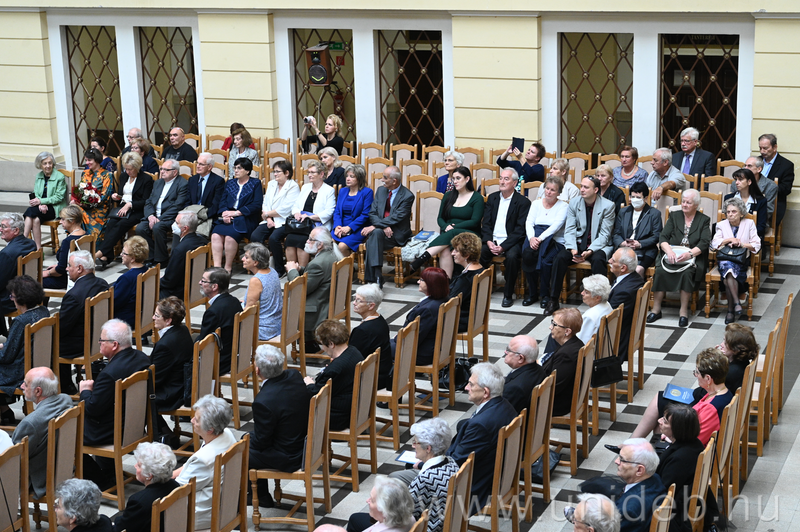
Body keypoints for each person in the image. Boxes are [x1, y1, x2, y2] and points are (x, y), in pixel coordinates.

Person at [81, 319, 150, 486]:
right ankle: (108, 471)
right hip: (135, 426)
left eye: (102, 340)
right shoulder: (142, 358)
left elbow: (92, 408)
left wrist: (85, 390)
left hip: (112, 432)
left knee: (64, 434)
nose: (99, 342)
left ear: (114, 345)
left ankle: (101, 480)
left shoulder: (109, 374)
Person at [448, 363, 517, 510]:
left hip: (474, 486)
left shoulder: (480, 426)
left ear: (485, 392)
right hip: (492, 472)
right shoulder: (506, 405)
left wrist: (424, 464)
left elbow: (456, 463)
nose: (466, 388)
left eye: (471, 384)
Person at [248, 345, 310, 509]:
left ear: (257, 371)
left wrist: (246, 442)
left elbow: (261, 442)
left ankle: (260, 496)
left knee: (241, 452)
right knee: (246, 440)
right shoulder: (294, 375)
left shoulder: (263, 401)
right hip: (305, 445)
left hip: (289, 456)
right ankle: (261, 495)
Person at [631, 348, 732, 445]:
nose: (696, 375)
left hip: (691, 452)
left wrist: (671, 437)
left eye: (697, 372)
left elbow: (694, 441)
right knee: (661, 426)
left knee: (659, 429)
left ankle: (629, 447)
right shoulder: (722, 393)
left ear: (708, 378)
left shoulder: (711, 408)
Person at [547, 176, 615, 316]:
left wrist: (590, 250)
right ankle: (553, 299)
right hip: (577, 243)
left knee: (598, 260)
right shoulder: (574, 202)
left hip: (598, 244)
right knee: (559, 258)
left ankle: (600, 302)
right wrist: (573, 249)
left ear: (595, 190)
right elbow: (570, 229)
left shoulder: (608, 206)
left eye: (586, 187)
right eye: (581, 186)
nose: (581, 189)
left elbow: (605, 235)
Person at [647, 189, 711, 328]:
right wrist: (669, 251)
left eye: (688, 202)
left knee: (687, 273)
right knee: (660, 271)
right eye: (683, 201)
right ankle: (656, 310)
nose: (684, 205)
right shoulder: (674, 216)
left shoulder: (704, 220)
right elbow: (663, 237)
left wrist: (690, 254)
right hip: (672, 254)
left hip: (692, 258)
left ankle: (683, 312)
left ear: (696, 205)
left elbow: (704, 242)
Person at [173, 395, 237, 531]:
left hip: (198, 514)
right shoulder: (227, 434)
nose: (191, 420)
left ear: (210, 429)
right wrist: (171, 474)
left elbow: (177, 491)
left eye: (196, 420)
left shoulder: (204, 460)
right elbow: (189, 468)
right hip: (227, 505)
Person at [411, 166, 484, 277]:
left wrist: (454, 227)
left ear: (467, 179)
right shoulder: (448, 196)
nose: (455, 181)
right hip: (449, 232)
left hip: (469, 233)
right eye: (453, 179)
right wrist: (445, 226)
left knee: (452, 233)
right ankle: (447, 281)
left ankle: (423, 257)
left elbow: (475, 221)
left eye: (458, 178)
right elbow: (440, 218)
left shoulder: (477, 197)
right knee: (445, 249)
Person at [12, 367, 73, 498]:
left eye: (25, 384)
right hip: (63, 467)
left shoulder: (30, 423)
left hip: (38, 479)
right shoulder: (66, 400)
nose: (21, 386)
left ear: (38, 391)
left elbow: (14, 459)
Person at [57, 250, 110, 394]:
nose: (66, 269)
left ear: (79, 268)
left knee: (46, 343)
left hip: (80, 344)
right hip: (98, 338)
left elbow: (61, 328)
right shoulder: (103, 284)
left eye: (69, 265)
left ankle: (65, 386)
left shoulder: (74, 295)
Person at [0, 276, 48, 424]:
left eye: (13, 296)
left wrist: (3, 348)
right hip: (37, 364)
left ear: (21, 300)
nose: (11, 299)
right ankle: (4, 410)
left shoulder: (21, 321)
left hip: (20, 372)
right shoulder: (44, 312)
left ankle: (4, 410)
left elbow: (6, 357)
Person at [479, 167, 530, 307]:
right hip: (492, 240)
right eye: (501, 178)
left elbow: (520, 230)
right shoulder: (492, 198)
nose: (502, 181)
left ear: (514, 183)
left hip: (511, 242)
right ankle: (480, 290)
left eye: (506, 179)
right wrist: (488, 241)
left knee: (512, 257)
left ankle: (508, 294)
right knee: (480, 253)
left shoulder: (523, 202)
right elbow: (486, 223)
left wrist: (503, 246)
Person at [94, 151, 154, 268]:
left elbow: (146, 201)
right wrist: (116, 197)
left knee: (121, 225)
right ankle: (106, 256)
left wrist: (130, 204)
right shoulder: (124, 176)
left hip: (137, 210)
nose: (127, 171)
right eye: (126, 169)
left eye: (130, 169)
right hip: (122, 209)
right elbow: (122, 195)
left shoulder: (146, 179)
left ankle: (101, 253)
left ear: (137, 167)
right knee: (111, 224)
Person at [304, 320, 363, 431]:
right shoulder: (354, 351)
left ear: (331, 344)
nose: (322, 348)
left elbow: (317, 395)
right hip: (352, 409)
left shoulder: (336, 369)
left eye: (322, 344)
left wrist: (309, 384)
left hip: (335, 417)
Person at [653, 404, 704, 532]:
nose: (659, 421)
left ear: (678, 429)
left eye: (665, 421)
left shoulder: (679, 459)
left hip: (671, 509)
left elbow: (663, 490)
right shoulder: (695, 443)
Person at [362, 165, 415, 286]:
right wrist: (382, 226)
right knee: (375, 234)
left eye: (385, 178)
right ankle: (377, 276)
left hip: (397, 234)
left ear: (394, 181)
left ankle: (372, 278)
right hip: (382, 232)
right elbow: (372, 213)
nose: (382, 180)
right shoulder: (381, 191)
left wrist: (376, 226)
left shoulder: (407, 196)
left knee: (373, 238)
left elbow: (396, 217)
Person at [286, 227, 343, 339]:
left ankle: (309, 343)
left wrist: (292, 271)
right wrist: (300, 269)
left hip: (318, 310)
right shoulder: (331, 255)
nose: (307, 241)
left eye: (310, 239)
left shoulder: (317, 264)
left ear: (320, 244)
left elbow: (300, 290)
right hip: (329, 302)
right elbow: (318, 276)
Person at [711, 197, 761, 323]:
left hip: (741, 260)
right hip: (725, 258)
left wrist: (742, 244)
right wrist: (729, 240)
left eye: (734, 212)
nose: (730, 214)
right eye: (728, 212)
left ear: (741, 213)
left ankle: (730, 310)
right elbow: (714, 243)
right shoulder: (721, 225)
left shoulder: (749, 223)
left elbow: (756, 244)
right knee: (728, 269)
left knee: (728, 277)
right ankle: (736, 303)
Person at [522, 174, 568, 308]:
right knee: (528, 255)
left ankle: (545, 295)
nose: (549, 192)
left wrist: (540, 239)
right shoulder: (536, 203)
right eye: (547, 188)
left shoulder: (563, 206)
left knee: (545, 261)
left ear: (559, 193)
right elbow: (529, 222)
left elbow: (556, 226)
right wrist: (532, 238)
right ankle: (532, 294)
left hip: (554, 239)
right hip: (534, 236)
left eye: (553, 190)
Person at [210, 157, 263, 272]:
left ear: (247, 171)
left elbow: (257, 204)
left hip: (245, 218)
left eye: (239, 168)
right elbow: (222, 201)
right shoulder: (230, 183)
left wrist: (236, 213)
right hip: (227, 218)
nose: (236, 170)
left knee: (230, 237)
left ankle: (227, 268)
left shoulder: (255, 183)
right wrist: (225, 213)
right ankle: (217, 268)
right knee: (215, 235)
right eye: (235, 168)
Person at [150, 297, 194, 436]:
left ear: (168, 320)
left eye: (157, 315)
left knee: (137, 396)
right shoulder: (183, 329)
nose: (153, 318)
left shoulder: (165, 345)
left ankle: (164, 435)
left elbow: (155, 379)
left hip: (174, 392)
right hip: (183, 383)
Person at [113, 442, 179, 532]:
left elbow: (122, 527)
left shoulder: (139, 501)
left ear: (149, 475)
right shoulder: (175, 485)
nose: (135, 466)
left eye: (139, 466)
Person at [250, 160, 301, 276]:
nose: (275, 174)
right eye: (274, 171)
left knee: (274, 239)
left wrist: (267, 214)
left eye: (278, 171)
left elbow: (286, 208)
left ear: (287, 173)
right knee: (255, 236)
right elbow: (266, 203)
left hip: (284, 220)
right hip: (269, 219)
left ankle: (279, 269)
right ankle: (262, 265)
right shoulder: (271, 184)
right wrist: (268, 219)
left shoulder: (293, 186)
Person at [391, 267, 449, 367]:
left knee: (376, 347)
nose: (418, 282)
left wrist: (397, 338)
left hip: (421, 353)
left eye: (421, 280)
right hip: (435, 347)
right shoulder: (444, 299)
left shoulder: (427, 309)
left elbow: (413, 339)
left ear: (431, 284)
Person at [135, 159, 189, 266]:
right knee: (140, 228)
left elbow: (177, 206)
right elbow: (149, 201)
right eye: (161, 169)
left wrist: (159, 219)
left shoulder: (182, 184)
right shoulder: (158, 182)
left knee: (158, 227)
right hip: (154, 215)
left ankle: (161, 260)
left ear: (175, 172)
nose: (162, 172)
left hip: (170, 217)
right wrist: (150, 216)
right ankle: (152, 256)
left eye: (166, 170)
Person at [285, 160, 336, 268]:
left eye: (313, 172)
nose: (309, 175)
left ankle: (302, 271)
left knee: (302, 240)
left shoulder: (329, 190)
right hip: (302, 224)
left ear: (321, 174)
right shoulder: (305, 187)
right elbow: (296, 205)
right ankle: (291, 270)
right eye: (308, 172)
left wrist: (310, 217)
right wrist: (297, 213)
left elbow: (329, 212)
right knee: (289, 238)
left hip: (317, 225)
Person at [613, 439, 666, 532]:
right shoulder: (655, 478)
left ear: (639, 470)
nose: (616, 461)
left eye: (622, 459)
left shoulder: (628, 511)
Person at [198, 268, 242, 376]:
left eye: (203, 281)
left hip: (220, 362)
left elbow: (203, 344)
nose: (200, 282)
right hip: (234, 356)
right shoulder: (235, 301)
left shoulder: (213, 312)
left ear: (214, 286)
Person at [540, 308, 584, 417]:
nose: (550, 327)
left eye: (555, 325)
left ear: (567, 331)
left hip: (557, 404)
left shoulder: (566, 355)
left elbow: (554, 386)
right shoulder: (576, 343)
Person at [612, 182, 662, 275]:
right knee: (618, 267)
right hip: (625, 248)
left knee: (637, 270)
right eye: (633, 197)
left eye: (638, 197)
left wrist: (640, 244)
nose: (635, 200)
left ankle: (637, 284)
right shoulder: (623, 212)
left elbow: (656, 236)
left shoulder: (654, 214)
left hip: (645, 250)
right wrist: (623, 243)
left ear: (646, 198)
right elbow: (616, 233)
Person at [349, 284, 392, 390]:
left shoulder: (362, 331)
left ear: (371, 306)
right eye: (354, 299)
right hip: (382, 372)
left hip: (371, 378)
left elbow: (351, 359)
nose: (354, 303)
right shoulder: (380, 320)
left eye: (358, 301)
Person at [24, 151, 68, 250]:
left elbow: (59, 197)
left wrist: (41, 202)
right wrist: (40, 205)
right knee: (36, 220)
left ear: (53, 163)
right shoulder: (39, 176)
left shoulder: (59, 177)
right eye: (45, 163)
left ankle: (23, 239)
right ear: (40, 165)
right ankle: (38, 249)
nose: (48, 166)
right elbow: (36, 193)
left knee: (30, 211)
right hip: (41, 208)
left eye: (50, 163)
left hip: (55, 208)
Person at [159, 211, 206, 299]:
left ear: (185, 228)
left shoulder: (179, 250)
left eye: (177, 223)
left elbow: (169, 282)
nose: (173, 225)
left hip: (178, 293)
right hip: (197, 288)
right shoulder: (203, 242)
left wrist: (157, 282)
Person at [608, 248, 644, 358]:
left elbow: (609, 319)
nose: (609, 261)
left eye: (613, 260)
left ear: (623, 268)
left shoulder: (624, 292)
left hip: (616, 340)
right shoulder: (635, 278)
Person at [242, 243, 282, 341]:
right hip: (277, 324)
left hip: (263, 328)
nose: (242, 259)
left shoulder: (256, 280)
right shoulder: (272, 271)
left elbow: (249, 310)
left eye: (246, 257)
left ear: (255, 262)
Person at [333, 164, 374, 256]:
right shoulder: (343, 191)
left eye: (352, 177)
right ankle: (335, 264)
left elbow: (365, 215)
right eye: (347, 176)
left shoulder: (367, 192)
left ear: (359, 179)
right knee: (328, 243)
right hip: (341, 226)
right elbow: (337, 212)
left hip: (358, 228)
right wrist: (337, 226)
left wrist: (349, 227)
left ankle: (348, 264)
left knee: (341, 246)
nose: (348, 179)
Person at [347, 476, 415, 532]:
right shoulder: (410, 517)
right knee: (355, 518)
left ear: (385, 511)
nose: (367, 501)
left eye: (372, 500)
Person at [447, 232, 485, 332]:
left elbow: (450, 304)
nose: (452, 253)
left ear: (467, 255)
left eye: (456, 251)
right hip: (474, 318)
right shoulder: (481, 270)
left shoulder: (465, 279)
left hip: (460, 321)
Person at [42, 205, 86, 289]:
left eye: (63, 219)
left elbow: (60, 271)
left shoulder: (68, 241)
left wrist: (48, 273)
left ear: (72, 221)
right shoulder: (86, 235)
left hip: (68, 278)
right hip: (82, 276)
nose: (60, 222)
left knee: (32, 282)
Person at [72, 148, 113, 237]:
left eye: (89, 160)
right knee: (73, 210)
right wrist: (77, 201)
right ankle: (76, 239)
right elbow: (80, 192)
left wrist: (87, 205)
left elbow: (104, 197)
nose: (87, 163)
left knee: (76, 213)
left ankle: (79, 237)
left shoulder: (106, 175)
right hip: (83, 207)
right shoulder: (85, 173)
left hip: (99, 209)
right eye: (86, 160)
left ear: (97, 160)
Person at [184, 152, 226, 235]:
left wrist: (201, 216)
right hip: (190, 215)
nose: (197, 166)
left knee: (197, 234)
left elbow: (216, 205)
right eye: (197, 163)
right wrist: (188, 214)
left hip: (207, 216)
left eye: (201, 164)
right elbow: (187, 201)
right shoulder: (192, 180)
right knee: (177, 230)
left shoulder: (218, 181)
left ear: (209, 167)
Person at [502, 335, 546, 414]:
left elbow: (502, 414)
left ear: (520, 358)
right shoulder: (539, 370)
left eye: (508, 350)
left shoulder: (514, 388)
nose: (505, 352)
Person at [111, 236, 149, 328]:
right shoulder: (147, 271)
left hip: (126, 320)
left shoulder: (127, 278)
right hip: (143, 317)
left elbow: (113, 303)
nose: (121, 254)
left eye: (124, 253)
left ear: (132, 258)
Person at [758, 133, 795, 226]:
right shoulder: (756, 161)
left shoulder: (786, 165)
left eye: (765, 148)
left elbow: (786, 189)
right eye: (760, 148)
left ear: (775, 147)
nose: (762, 151)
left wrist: (767, 189)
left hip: (772, 204)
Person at [724, 168, 768, 239]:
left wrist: (743, 236)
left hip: (751, 237)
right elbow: (725, 221)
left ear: (749, 182)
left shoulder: (761, 201)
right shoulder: (728, 198)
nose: (736, 182)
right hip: (730, 236)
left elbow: (761, 226)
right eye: (736, 179)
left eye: (740, 180)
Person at [716, 323, 759, 392]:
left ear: (736, 350)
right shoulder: (743, 362)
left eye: (725, 343)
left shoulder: (730, 373)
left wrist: (711, 362)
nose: (721, 344)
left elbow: (706, 392)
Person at [577, 274, 613, 345]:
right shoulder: (607, 305)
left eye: (586, 292)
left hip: (593, 350)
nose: (582, 293)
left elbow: (581, 342)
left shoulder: (590, 316)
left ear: (597, 297)